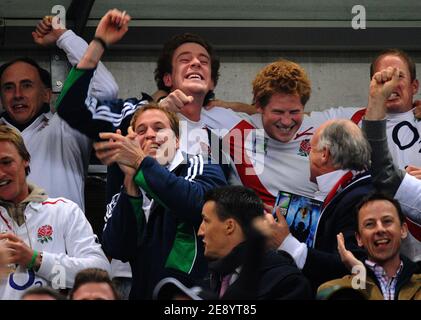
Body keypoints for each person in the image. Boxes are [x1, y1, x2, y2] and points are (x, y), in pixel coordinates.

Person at [100, 104, 227, 300]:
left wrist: (141, 163)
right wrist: (130, 186)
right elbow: (117, 247)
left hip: (190, 296)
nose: (150, 135)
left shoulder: (200, 164)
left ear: (177, 141)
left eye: (159, 128)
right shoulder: (125, 187)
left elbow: (196, 204)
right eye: (141, 131)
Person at [0, 17, 118, 211]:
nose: (18, 95)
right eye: (8, 88)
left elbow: (105, 90)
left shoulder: (66, 129)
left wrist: (63, 37)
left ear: (46, 94)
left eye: (27, 85)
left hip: (65, 241)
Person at [254, 119, 374, 290]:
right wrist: (285, 217)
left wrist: (286, 243)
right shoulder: (354, 187)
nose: (308, 156)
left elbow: (353, 267)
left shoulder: (359, 199)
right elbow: (330, 225)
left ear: (324, 154)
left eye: (310, 149)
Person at [0, 125, 110, 299]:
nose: (0, 173)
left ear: (25, 160)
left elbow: (101, 272)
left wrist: (36, 260)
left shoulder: (64, 211)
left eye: (6, 162)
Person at [198, 185, 313, 299]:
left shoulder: (288, 284)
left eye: (206, 221)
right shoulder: (213, 276)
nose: (200, 232)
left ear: (229, 226)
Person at [317, 193, 421, 300]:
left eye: (387, 221)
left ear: (403, 230)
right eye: (369, 224)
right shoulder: (331, 291)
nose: (380, 229)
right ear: (359, 238)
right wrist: (360, 279)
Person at [362, 65, 421, 245]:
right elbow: (383, 172)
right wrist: (376, 100)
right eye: (383, 77)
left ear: (414, 86)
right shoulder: (354, 119)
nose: (391, 82)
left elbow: (383, 172)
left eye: (398, 76)